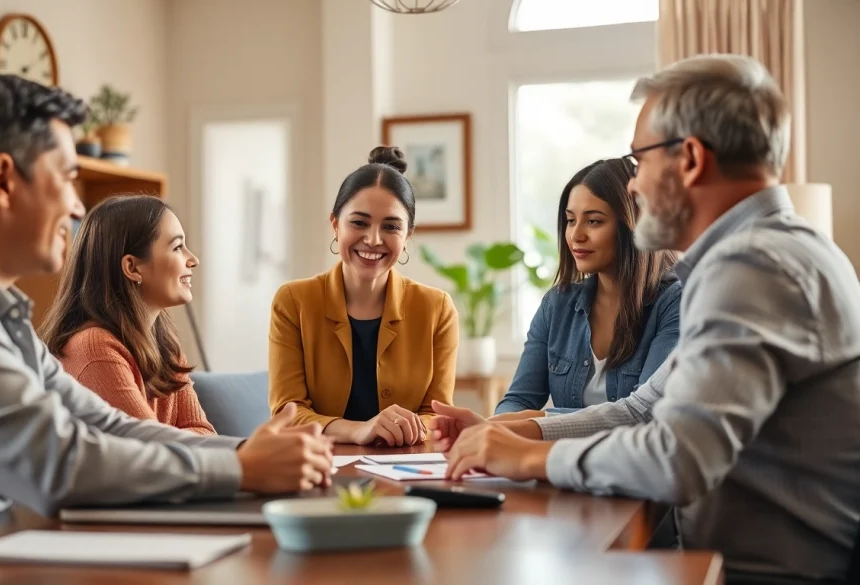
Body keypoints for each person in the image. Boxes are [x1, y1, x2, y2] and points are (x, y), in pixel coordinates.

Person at [0, 68, 332, 535]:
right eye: (67, 177)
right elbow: (56, 461)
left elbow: (105, 425)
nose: (77, 206)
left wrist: (251, 451)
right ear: (3, 180)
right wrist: (238, 467)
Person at [429, 54, 860, 582]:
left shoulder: (753, 267)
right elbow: (640, 411)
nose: (633, 185)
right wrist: (518, 435)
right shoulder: (765, 254)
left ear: (692, 159)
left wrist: (526, 461)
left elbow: (676, 456)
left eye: (642, 159)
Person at [268, 146, 459, 447]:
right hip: (319, 464)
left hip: (406, 466)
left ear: (408, 235)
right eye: (359, 222)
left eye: (391, 227)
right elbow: (287, 412)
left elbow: (437, 414)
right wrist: (358, 430)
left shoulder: (437, 308)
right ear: (335, 224)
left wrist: (405, 428)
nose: (373, 239)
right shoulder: (294, 301)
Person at [495, 158, 680, 416]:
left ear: (632, 224)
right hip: (559, 457)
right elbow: (519, 400)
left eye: (593, 221)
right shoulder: (556, 305)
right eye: (571, 220)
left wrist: (539, 420)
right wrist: (490, 427)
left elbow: (645, 416)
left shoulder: (675, 303)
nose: (576, 235)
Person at [40, 195, 216, 435]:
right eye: (177, 247)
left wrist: (179, 442)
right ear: (132, 267)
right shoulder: (94, 349)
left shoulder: (165, 346)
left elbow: (205, 432)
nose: (193, 259)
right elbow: (152, 450)